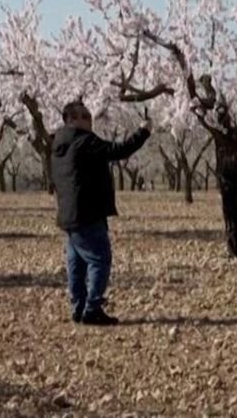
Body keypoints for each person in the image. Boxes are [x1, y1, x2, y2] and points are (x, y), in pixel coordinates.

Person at [50, 102, 151, 326]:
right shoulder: (84, 141)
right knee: (99, 259)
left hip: (68, 214)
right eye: (85, 116)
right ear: (72, 119)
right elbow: (118, 151)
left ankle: (78, 308)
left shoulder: (58, 144)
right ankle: (92, 309)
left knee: (76, 264)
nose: (90, 120)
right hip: (88, 212)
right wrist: (143, 132)